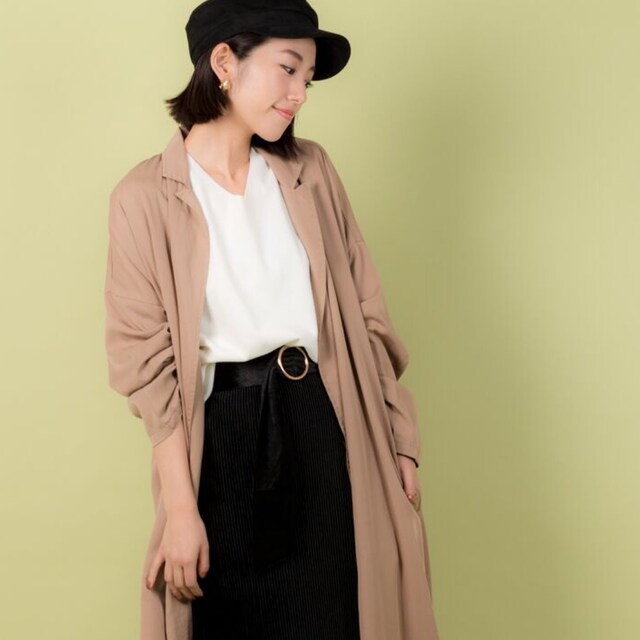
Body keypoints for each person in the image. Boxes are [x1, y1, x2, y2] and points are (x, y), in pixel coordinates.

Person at [104, 1, 440, 639]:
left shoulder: (311, 172)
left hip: (326, 423)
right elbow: (147, 371)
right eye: (288, 69)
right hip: (219, 443)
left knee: (335, 619)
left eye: (307, 79)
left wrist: (399, 440)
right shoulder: (142, 199)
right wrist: (181, 509)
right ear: (224, 62)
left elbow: (368, 317)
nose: (299, 95)